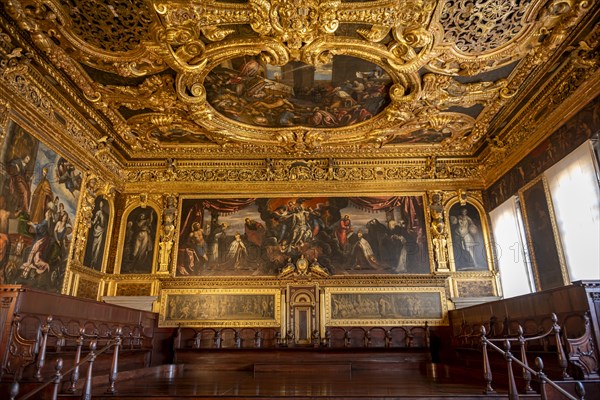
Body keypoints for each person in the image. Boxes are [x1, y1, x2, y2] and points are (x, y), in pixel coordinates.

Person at [89, 199, 107, 269]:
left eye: (102, 204)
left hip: (102, 231)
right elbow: (94, 221)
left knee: (98, 249)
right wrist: (90, 221)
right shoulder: (98, 212)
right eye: (100, 204)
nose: (101, 205)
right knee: (94, 247)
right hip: (97, 230)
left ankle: (95, 263)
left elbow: (104, 224)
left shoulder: (105, 215)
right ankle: (92, 261)